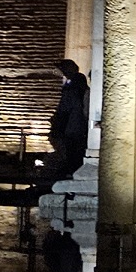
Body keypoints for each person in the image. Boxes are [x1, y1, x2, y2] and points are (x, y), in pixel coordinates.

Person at [37, 59, 90, 189]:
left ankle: (66, 177)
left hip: (72, 126)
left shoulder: (73, 87)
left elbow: (67, 107)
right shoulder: (75, 85)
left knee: (70, 152)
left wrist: (59, 119)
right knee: (71, 151)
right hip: (74, 125)